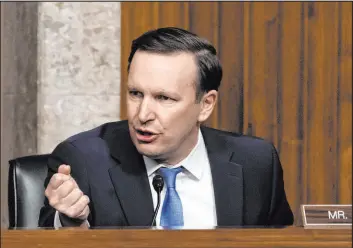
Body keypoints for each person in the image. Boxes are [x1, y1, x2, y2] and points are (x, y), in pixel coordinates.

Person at [38, 27, 294, 228]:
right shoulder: (83, 160)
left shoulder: (256, 163)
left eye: (164, 98)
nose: (143, 114)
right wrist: (72, 222)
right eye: (136, 93)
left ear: (206, 104)